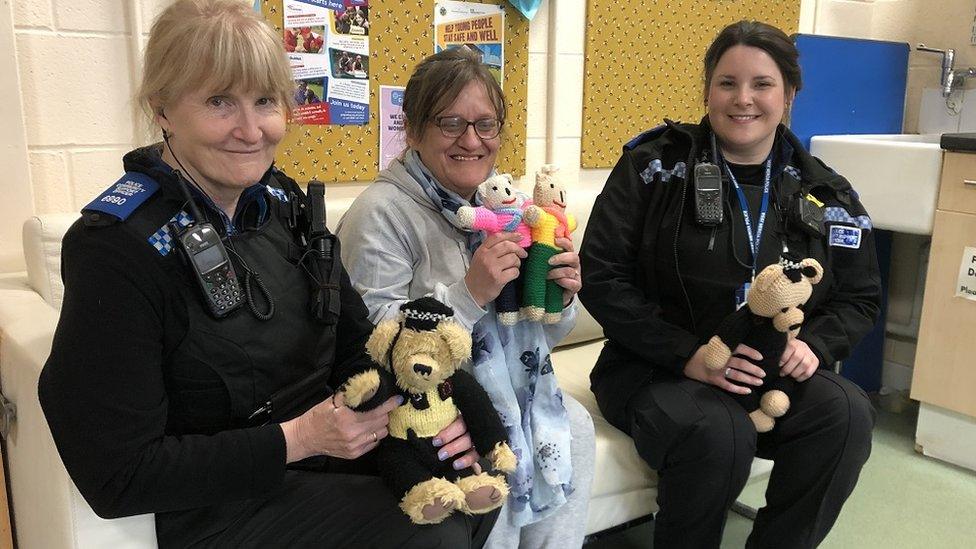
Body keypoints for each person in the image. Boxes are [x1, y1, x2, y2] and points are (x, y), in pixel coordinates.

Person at [37, 1, 496, 547]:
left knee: (472, 473)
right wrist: (297, 439)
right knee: (430, 535)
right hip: (221, 500)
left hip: (327, 450)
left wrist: (432, 409)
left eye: (264, 101)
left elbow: (356, 344)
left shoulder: (280, 203)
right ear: (162, 110)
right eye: (218, 102)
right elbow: (117, 474)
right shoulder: (115, 249)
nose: (250, 130)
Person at [579, 20, 879, 548]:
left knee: (846, 413)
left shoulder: (826, 192)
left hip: (771, 377)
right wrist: (690, 355)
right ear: (708, 91)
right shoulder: (654, 166)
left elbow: (860, 296)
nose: (743, 100)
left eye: (762, 84)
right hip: (656, 369)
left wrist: (815, 344)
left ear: (789, 93)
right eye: (727, 83)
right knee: (718, 431)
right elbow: (602, 275)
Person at [336, 48, 596, 548]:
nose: (472, 140)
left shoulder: (502, 208)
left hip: (504, 387)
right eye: (450, 122)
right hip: (426, 404)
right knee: (486, 448)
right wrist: (470, 293)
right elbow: (372, 341)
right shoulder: (379, 214)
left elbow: (542, 334)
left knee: (574, 427)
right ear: (411, 129)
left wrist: (560, 297)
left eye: (486, 124)